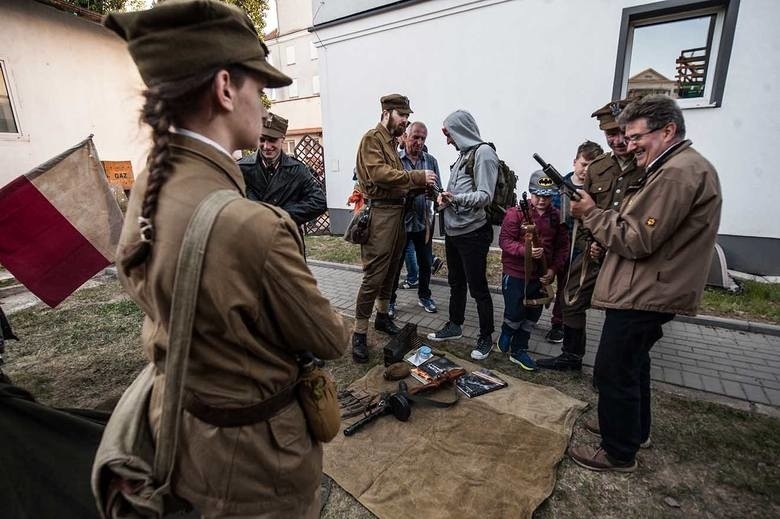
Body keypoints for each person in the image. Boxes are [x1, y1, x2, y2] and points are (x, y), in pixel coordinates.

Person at [105, 1, 349, 515]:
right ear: (223, 89)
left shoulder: (151, 186)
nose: (262, 105)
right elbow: (328, 338)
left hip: (181, 426)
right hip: (256, 462)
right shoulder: (251, 227)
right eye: (257, 88)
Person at [568, 95, 722, 472]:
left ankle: (618, 451)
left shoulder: (676, 173)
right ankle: (633, 431)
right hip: (652, 286)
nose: (630, 144)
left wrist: (591, 214)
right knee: (634, 365)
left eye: (637, 136)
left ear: (668, 130)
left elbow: (637, 238)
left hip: (647, 291)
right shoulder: (678, 167)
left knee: (613, 369)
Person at [537, 99, 643, 371]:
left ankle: (611, 369)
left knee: (619, 313)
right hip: (593, 252)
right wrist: (592, 242)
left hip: (629, 254)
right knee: (570, 298)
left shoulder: (646, 164)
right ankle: (572, 356)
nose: (617, 140)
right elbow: (583, 212)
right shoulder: (597, 168)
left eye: (622, 132)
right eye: (611, 134)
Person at [351, 95, 437, 363]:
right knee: (374, 274)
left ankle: (383, 317)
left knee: (391, 271)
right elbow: (379, 174)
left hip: (398, 213)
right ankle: (359, 334)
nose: (405, 122)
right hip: (381, 215)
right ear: (387, 113)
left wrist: (424, 187)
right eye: (402, 116)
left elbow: (398, 181)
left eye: (407, 118)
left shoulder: (390, 142)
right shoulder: (372, 139)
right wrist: (416, 177)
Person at [427, 110, 497, 360]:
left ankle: (486, 336)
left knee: (478, 288)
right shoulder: (462, 156)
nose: (448, 141)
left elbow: (485, 196)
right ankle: (455, 326)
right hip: (454, 232)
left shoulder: (484, 154)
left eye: (449, 135)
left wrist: (455, 198)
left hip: (473, 234)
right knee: (456, 283)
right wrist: (443, 199)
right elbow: (457, 192)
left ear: (461, 131)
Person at [497, 171, 569, 371]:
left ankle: (519, 350)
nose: (542, 200)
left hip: (541, 276)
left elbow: (563, 246)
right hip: (516, 274)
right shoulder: (516, 213)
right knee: (515, 312)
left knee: (532, 314)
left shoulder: (556, 217)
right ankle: (506, 332)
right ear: (530, 193)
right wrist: (525, 251)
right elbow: (505, 241)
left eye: (546, 196)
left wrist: (553, 269)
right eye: (538, 195)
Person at [546, 140, 603, 343]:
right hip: (556, 246)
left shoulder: (595, 190)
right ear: (575, 162)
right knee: (546, 280)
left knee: (568, 288)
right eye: (583, 163)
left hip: (580, 249)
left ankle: (558, 324)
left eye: (592, 166)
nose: (586, 170)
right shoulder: (559, 185)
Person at [238, 112, 327, 229]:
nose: (266, 146)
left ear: (282, 139)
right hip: (253, 239)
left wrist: (281, 216)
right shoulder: (241, 169)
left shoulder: (298, 170)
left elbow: (319, 202)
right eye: (262, 139)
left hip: (286, 238)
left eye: (272, 140)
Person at [389, 122, 441, 316]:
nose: (419, 142)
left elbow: (438, 189)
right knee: (395, 265)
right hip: (399, 224)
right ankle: (390, 301)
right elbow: (392, 189)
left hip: (423, 222)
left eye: (423, 138)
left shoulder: (431, 161)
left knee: (425, 263)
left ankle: (425, 296)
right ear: (405, 137)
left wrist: (435, 195)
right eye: (415, 137)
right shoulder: (395, 160)